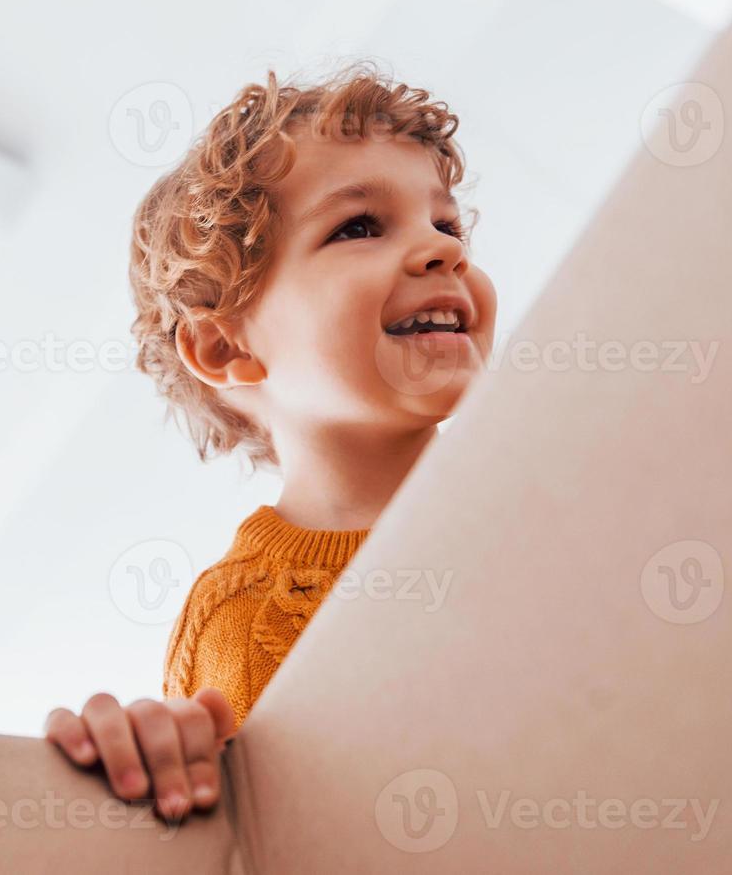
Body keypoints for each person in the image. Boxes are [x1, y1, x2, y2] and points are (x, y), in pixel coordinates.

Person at [44, 63, 498, 821]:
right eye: (359, 226)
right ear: (226, 350)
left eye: (446, 225)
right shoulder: (238, 624)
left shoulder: (559, 486)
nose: (443, 250)